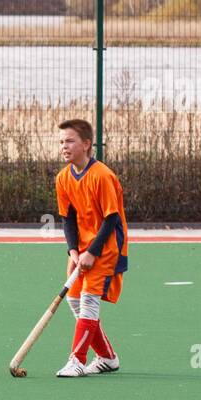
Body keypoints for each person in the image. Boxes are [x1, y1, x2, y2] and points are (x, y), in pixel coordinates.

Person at [53, 118, 128, 378]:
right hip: (81, 250)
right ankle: (107, 357)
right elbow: (67, 219)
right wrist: (73, 251)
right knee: (73, 300)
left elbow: (111, 219)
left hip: (106, 249)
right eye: (62, 141)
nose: (64, 146)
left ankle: (77, 360)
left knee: (88, 301)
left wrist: (92, 252)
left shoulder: (103, 176)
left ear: (86, 144)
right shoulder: (63, 179)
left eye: (70, 141)